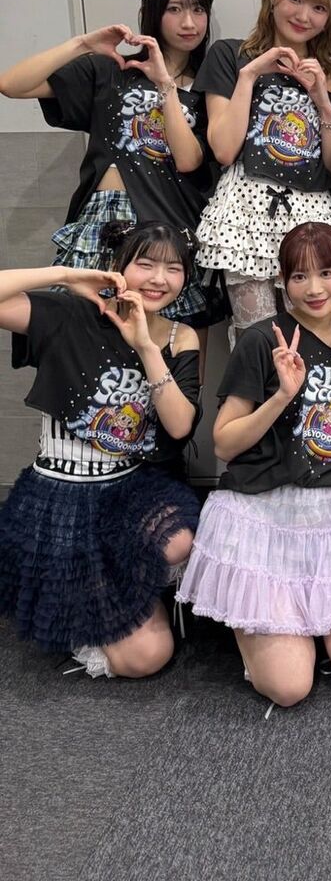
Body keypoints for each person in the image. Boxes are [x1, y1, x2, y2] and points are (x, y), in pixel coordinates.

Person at [177, 223, 331, 707]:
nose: (314, 288)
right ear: (282, 281)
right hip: (263, 516)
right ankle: (274, 636)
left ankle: (305, 623)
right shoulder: (264, 341)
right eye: (299, 276)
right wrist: (281, 396)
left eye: (326, 273)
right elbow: (224, 443)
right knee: (289, 688)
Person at [0, 222, 201, 678]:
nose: (159, 279)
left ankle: (124, 588)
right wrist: (67, 275)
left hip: (129, 489)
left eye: (173, 268)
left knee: (177, 542)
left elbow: (179, 425)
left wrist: (146, 346)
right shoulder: (69, 314)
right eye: (145, 264)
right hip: (61, 498)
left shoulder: (179, 335)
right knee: (146, 659)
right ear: (117, 266)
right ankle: (83, 599)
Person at [0, 0, 220, 327]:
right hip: (106, 219)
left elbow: (189, 161)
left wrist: (166, 85)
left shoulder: (208, 88)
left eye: (198, 10)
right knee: (84, 332)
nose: (189, 22)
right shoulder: (112, 70)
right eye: (174, 9)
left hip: (170, 225)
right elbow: (11, 84)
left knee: (171, 344)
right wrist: (83, 44)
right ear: (153, 13)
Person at [192, 0, 331, 340]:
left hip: (311, 211)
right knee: (258, 340)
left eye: (318, 7)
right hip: (245, 214)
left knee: (315, 337)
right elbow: (224, 150)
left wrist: (322, 102)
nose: (304, 16)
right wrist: (249, 76)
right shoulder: (230, 55)